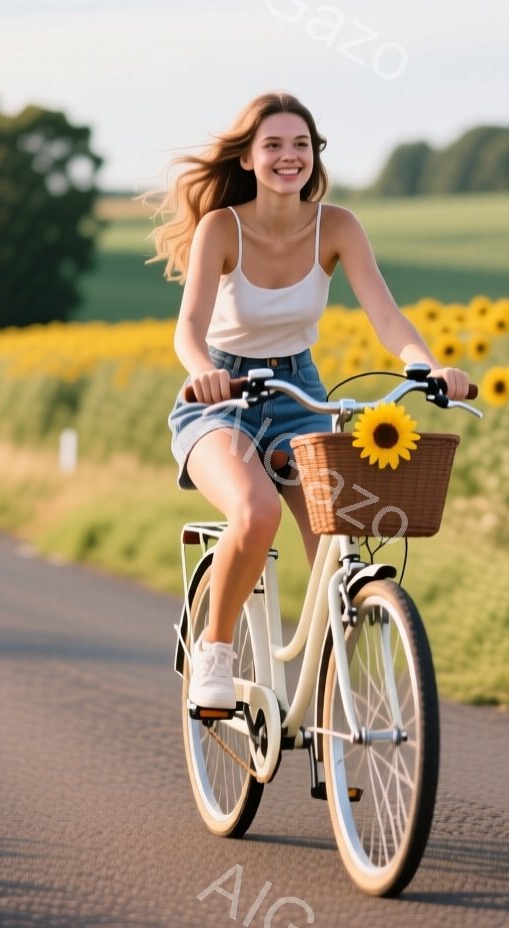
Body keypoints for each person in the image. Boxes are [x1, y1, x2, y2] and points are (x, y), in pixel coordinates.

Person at [143, 92, 469, 710]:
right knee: (256, 511)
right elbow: (189, 327)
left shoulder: (337, 225)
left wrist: (425, 366)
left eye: (301, 145)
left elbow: (385, 312)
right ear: (247, 157)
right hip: (223, 399)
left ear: (314, 156)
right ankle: (214, 651)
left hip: (301, 395)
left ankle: (333, 705)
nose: (288, 157)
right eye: (273, 145)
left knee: (340, 540)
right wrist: (206, 372)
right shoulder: (223, 228)